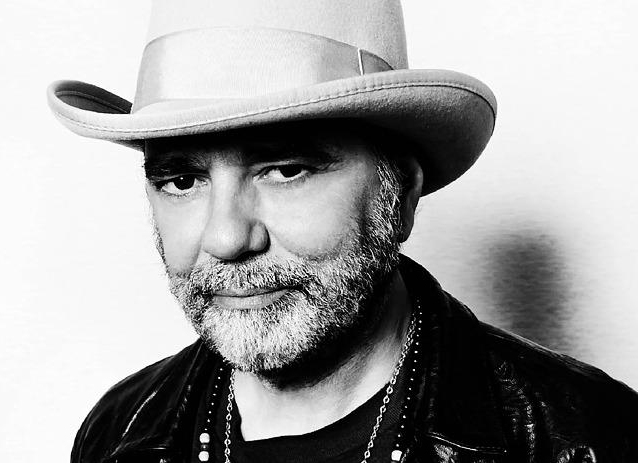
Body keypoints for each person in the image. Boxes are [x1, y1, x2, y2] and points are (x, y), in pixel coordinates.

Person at [47, 0, 638, 462]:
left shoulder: (586, 438)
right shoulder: (121, 433)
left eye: (284, 170)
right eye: (181, 180)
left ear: (399, 194)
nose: (226, 239)